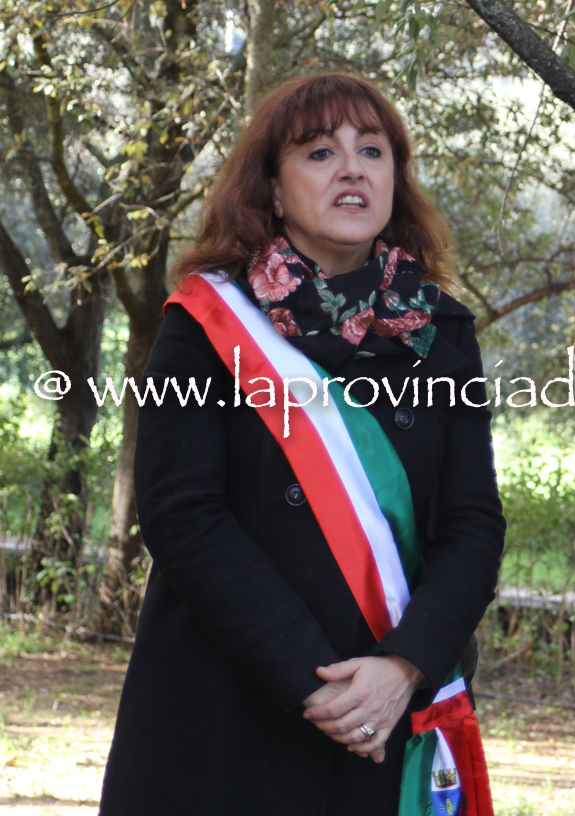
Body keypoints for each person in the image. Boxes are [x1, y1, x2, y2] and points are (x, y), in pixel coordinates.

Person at [100, 73, 504, 815]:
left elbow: (472, 523)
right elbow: (182, 515)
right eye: (320, 152)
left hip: (388, 714)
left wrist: (403, 665)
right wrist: (318, 684)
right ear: (274, 191)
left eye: (372, 151)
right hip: (228, 715)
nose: (352, 169)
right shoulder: (204, 323)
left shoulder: (443, 332)